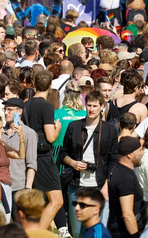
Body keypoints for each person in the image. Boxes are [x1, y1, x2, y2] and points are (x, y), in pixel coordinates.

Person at [59, 90, 118, 238]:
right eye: (89, 105)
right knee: (77, 231)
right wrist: (73, 163)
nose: (91, 109)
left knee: (97, 233)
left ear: (102, 107)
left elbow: (113, 160)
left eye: (95, 106)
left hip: (99, 186)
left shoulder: (109, 130)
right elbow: (63, 153)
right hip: (76, 185)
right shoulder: (74, 126)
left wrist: (106, 185)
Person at [23, 70, 64, 229]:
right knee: (57, 201)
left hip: (28, 155)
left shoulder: (26, 104)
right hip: (43, 157)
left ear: (34, 83)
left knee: (38, 201)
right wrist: (57, 129)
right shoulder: (47, 106)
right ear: (51, 85)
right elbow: (51, 137)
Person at [107, 136, 147, 238]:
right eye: (140, 150)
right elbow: (127, 214)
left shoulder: (120, 170)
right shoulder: (125, 177)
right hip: (123, 233)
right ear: (129, 154)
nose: (142, 153)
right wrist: (135, 236)